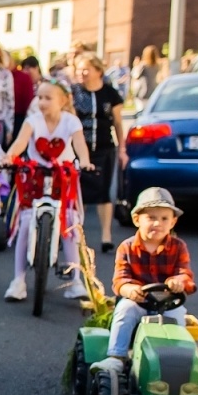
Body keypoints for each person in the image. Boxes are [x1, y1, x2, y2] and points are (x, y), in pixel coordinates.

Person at [1, 81, 93, 302]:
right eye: (39, 97)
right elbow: (20, 143)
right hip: (36, 177)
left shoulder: (71, 121)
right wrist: (9, 157)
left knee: (70, 225)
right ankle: (18, 280)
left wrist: (85, 161)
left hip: (63, 179)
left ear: (63, 101)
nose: (42, 102)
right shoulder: (33, 121)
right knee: (24, 222)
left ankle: (75, 281)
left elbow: (80, 144)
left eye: (48, 98)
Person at [95, 187, 195, 370]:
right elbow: (120, 280)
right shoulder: (127, 247)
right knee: (125, 309)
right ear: (136, 220)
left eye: (164, 218)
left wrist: (178, 282)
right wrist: (130, 290)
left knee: (178, 315)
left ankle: (178, 360)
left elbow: (185, 273)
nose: (158, 223)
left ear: (173, 222)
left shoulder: (179, 247)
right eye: (151, 218)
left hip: (167, 302)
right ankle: (117, 356)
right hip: (138, 302)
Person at [73, 52, 126, 251]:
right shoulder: (74, 92)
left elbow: (118, 123)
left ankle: (106, 235)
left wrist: (122, 149)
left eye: (86, 69)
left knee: (103, 191)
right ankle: (77, 232)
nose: (82, 73)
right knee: (80, 191)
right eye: (79, 69)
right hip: (79, 147)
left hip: (104, 147)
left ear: (98, 71)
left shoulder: (110, 94)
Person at [12, 55, 38, 144]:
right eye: (24, 69)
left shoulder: (45, 83)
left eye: (28, 68)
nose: (26, 71)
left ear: (36, 68)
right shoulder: (24, 80)